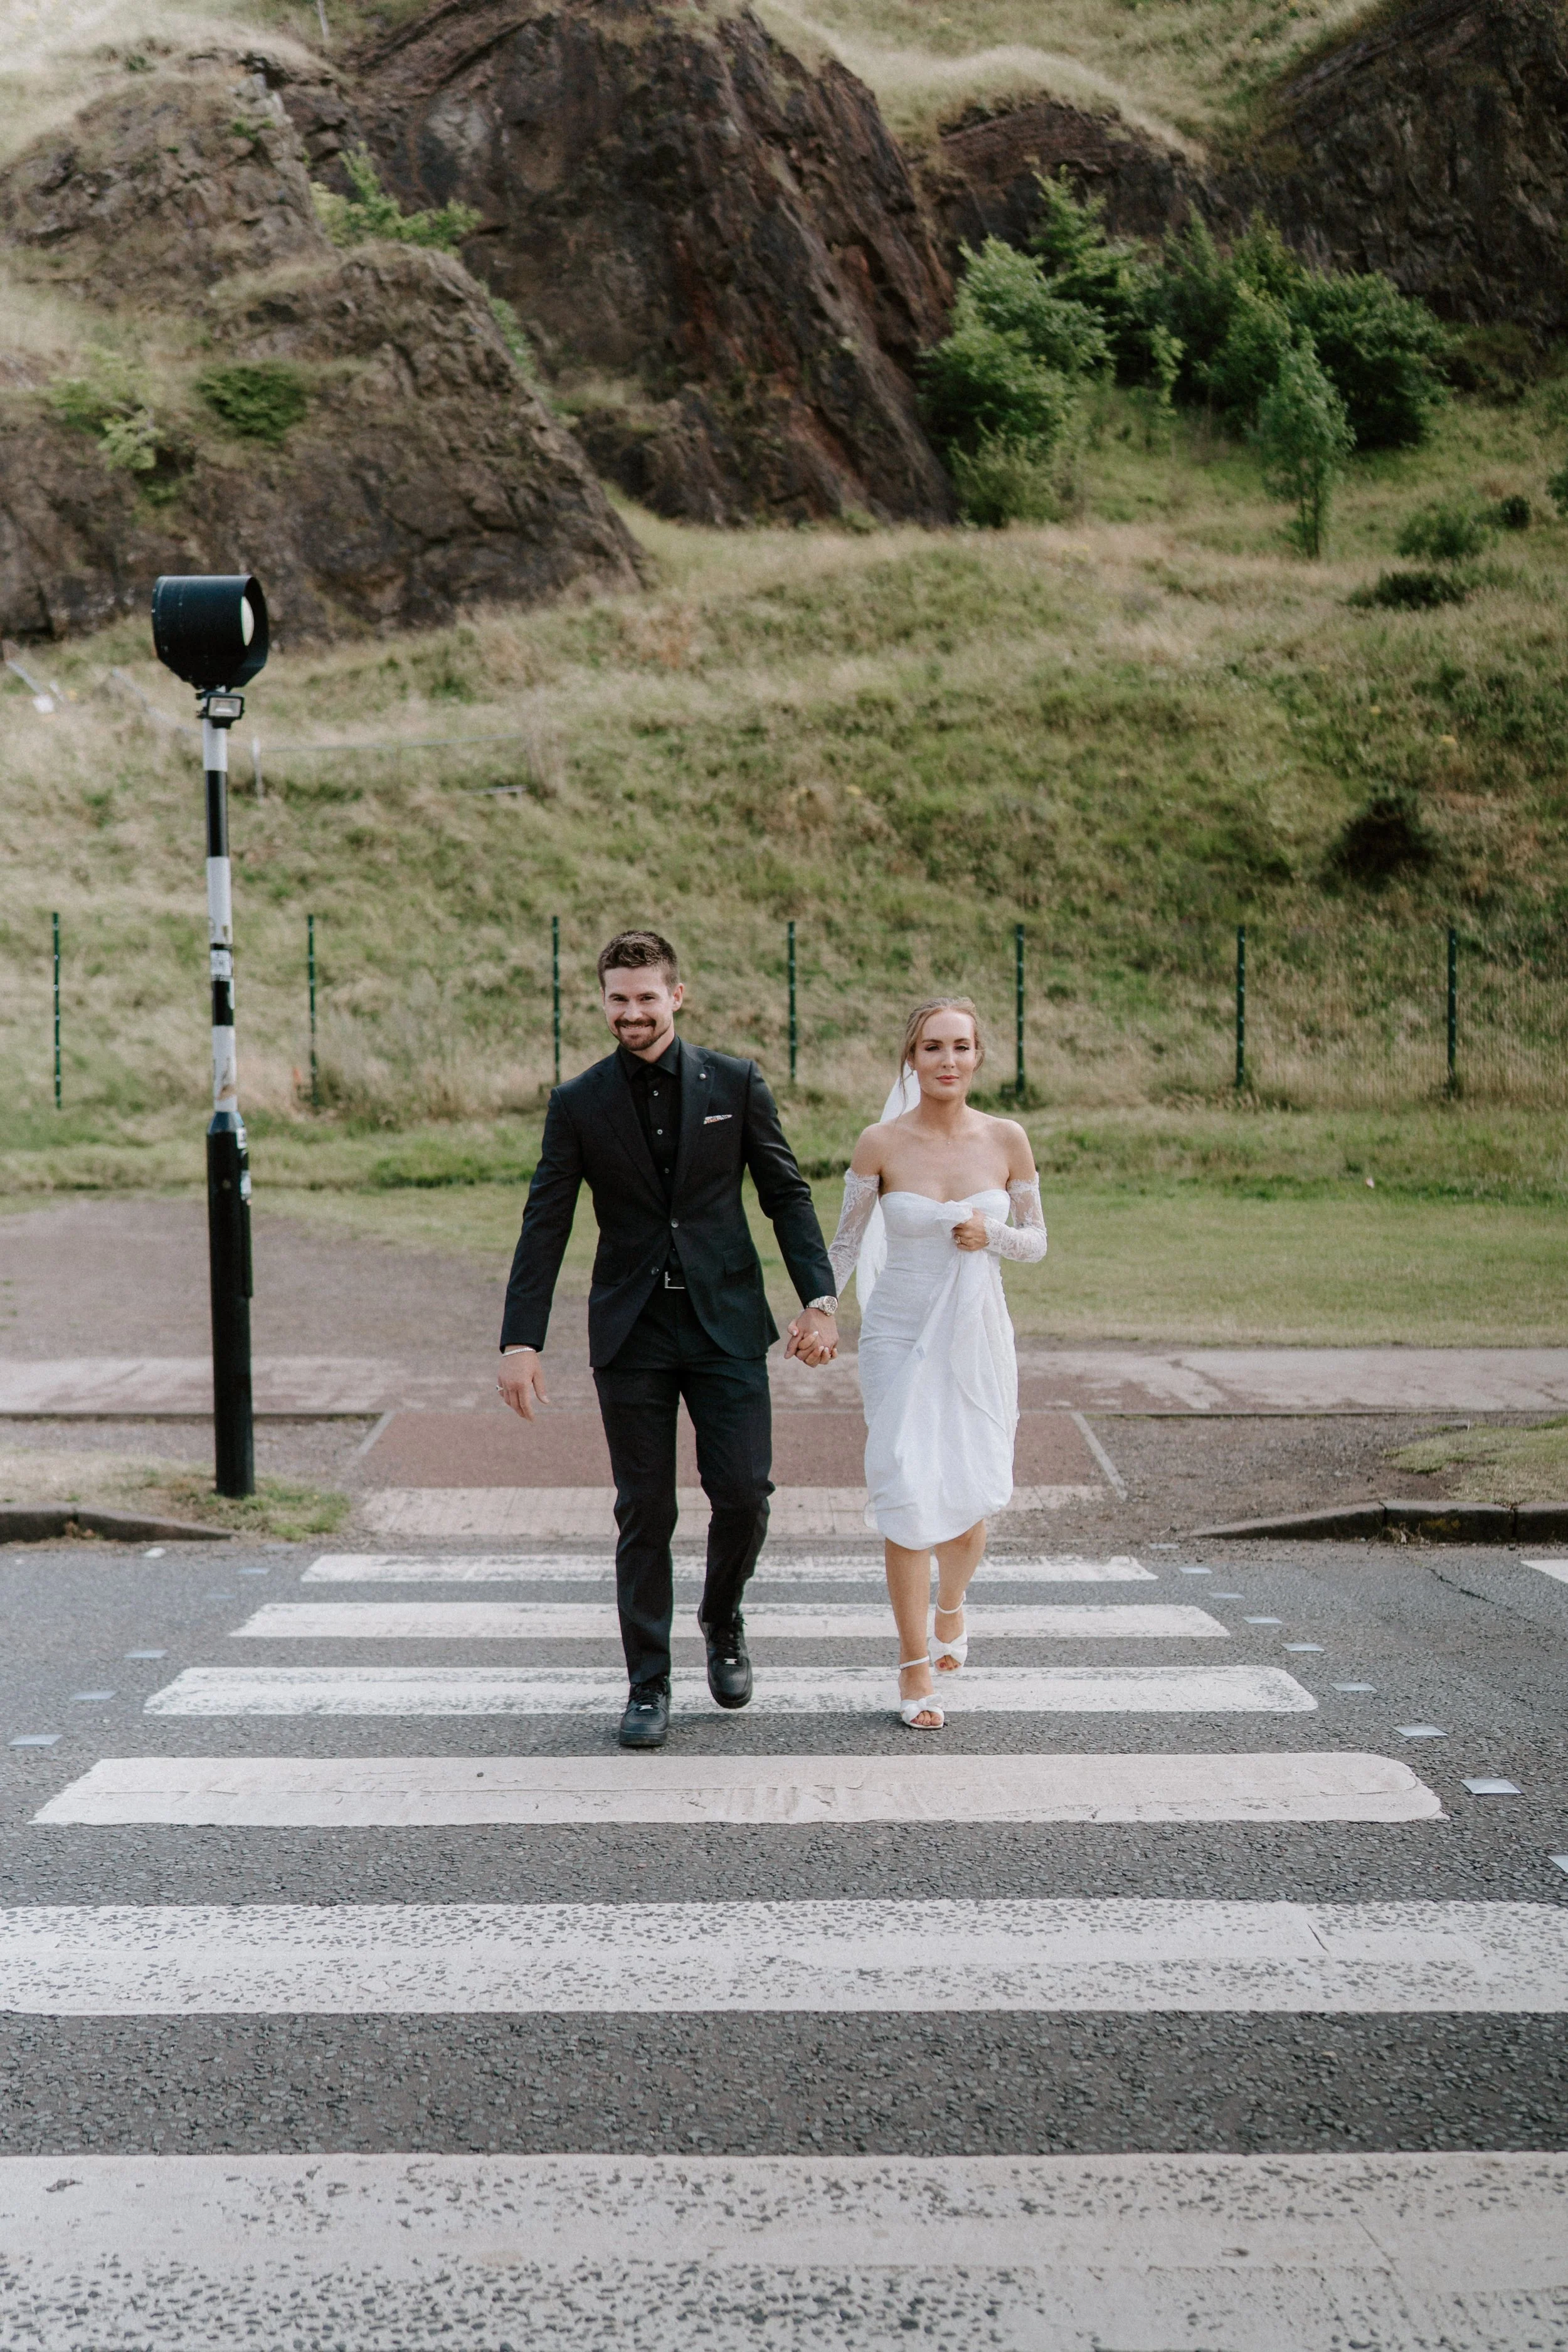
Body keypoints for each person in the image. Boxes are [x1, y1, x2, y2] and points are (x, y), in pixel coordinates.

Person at [497, 930, 840, 1749]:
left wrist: (820, 1300)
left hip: (726, 1321)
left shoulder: (736, 1082)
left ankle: (723, 1618)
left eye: (647, 997)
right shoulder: (578, 1102)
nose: (633, 1012)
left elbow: (785, 1196)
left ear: (676, 997)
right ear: (604, 1001)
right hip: (633, 1332)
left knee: (745, 1492)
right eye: (619, 998)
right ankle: (648, 1684)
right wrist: (520, 1339)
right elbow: (546, 1219)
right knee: (644, 1512)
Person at [825, 998, 1046, 1730]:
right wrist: (822, 1306)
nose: (946, 1060)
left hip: (975, 1334)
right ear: (911, 1059)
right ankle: (913, 1663)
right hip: (895, 1332)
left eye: (960, 1046)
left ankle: (951, 1604)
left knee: (972, 1489)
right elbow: (847, 1245)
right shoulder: (879, 1143)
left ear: (978, 1056)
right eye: (931, 1048)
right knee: (904, 1485)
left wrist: (996, 1235)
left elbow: (1038, 1241)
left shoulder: (1007, 1139)